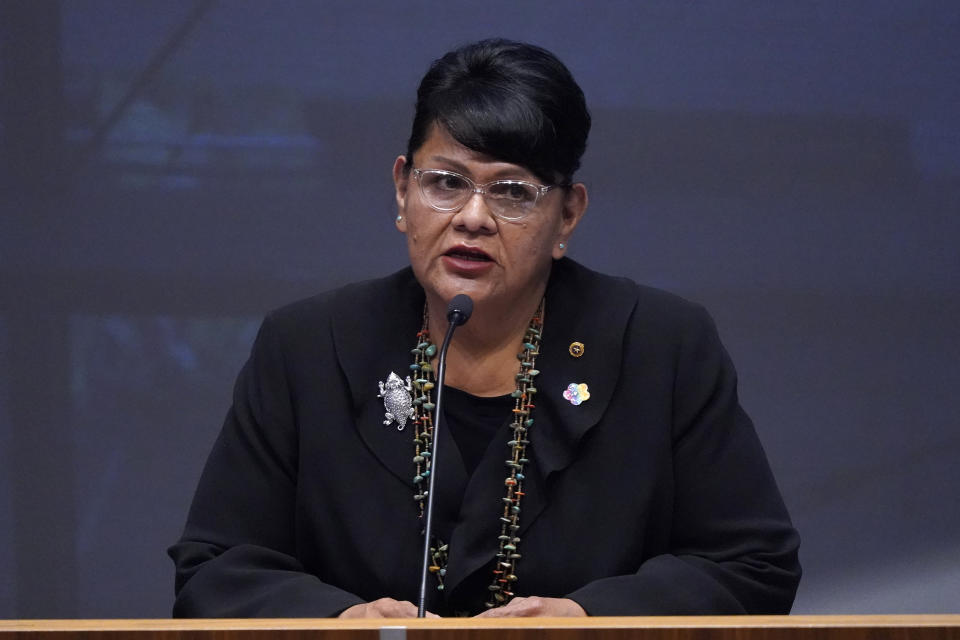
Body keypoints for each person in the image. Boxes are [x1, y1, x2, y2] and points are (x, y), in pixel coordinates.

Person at [169, 39, 801, 619]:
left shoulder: (661, 348)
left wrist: (593, 621)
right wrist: (338, 622)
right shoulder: (306, 347)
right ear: (401, 191)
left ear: (568, 216)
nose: (472, 217)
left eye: (512, 192)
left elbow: (754, 565)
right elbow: (216, 567)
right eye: (446, 183)